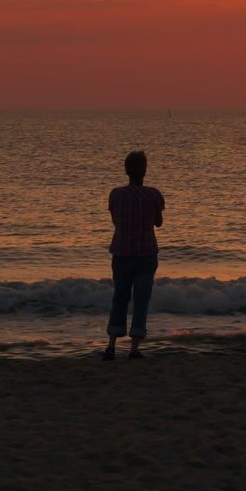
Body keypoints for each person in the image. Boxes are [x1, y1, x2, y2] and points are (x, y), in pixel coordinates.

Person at [105, 149, 164, 361]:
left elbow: (115, 221)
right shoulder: (153, 194)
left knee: (119, 297)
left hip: (121, 252)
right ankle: (134, 348)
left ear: (126, 171)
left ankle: (111, 346)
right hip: (146, 253)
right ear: (144, 171)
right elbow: (158, 222)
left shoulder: (116, 194)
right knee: (141, 299)